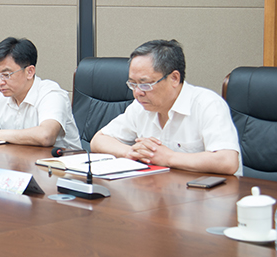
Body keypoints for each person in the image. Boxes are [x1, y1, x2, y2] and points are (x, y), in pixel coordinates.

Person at [90, 39, 241, 175]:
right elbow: (98, 140)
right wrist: (132, 152)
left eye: (145, 84)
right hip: (160, 189)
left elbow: (227, 161)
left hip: (208, 192)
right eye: (133, 84)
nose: (137, 93)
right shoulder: (140, 107)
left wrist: (169, 157)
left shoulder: (207, 104)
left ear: (174, 78)